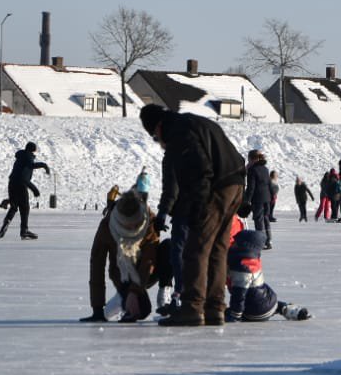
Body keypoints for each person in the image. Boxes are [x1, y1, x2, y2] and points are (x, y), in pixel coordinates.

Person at [142, 103, 246, 327]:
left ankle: (192, 307)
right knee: (218, 248)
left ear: (158, 127)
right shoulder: (194, 122)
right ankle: (215, 308)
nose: (158, 143)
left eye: (154, 138)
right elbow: (233, 156)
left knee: (195, 248)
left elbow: (201, 169)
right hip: (235, 183)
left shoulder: (179, 133)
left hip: (217, 188)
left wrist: (198, 206)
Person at [81, 190, 159, 323]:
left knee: (169, 248)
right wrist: (97, 308)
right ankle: (121, 299)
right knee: (142, 311)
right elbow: (97, 265)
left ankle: (167, 302)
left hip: (147, 272)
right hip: (123, 273)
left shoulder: (149, 221)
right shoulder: (107, 226)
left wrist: (134, 292)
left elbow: (149, 260)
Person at [226, 224, 310, 322]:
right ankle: (292, 311)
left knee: (228, 310)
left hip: (253, 312)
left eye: (235, 243)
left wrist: (235, 314)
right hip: (268, 303)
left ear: (244, 246)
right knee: (275, 304)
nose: (232, 245)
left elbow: (239, 293)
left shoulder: (242, 267)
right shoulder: (253, 262)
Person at [0, 141, 48, 240]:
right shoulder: (28, 156)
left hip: (11, 183)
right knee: (25, 208)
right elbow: (29, 168)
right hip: (21, 185)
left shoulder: (20, 157)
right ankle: (24, 231)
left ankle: (7, 222)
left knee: (14, 206)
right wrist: (44, 165)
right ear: (33, 149)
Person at [245, 149, 272, 250]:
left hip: (258, 199)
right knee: (265, 219)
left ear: (252, 159)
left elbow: (251, 187)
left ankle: (260, 242)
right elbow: (269, 184)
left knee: (258, 220)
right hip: (267, 198)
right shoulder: (265, 168)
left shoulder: (252, 170)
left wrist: (247, 199)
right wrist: (272, 196)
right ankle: (268, 241)